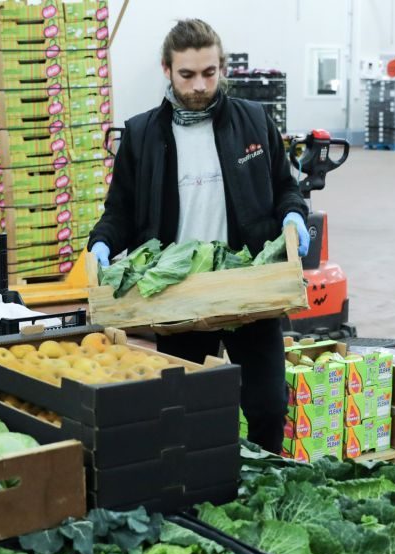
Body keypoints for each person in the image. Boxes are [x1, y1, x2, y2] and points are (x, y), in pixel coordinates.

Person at [87, 18, 310, 454]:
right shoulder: (143, 134)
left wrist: (294, 216)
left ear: (221, 68)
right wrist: (101, 243)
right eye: (187, 74)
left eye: (210, 73)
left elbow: (286, 188)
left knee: (267, 405)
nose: (200, 85)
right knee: (186, 409)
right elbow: (121, 212)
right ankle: (198, 490)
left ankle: (263, 486)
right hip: (180, 292)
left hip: (250, 285)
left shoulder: (254, 121)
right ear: (166, 70)